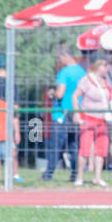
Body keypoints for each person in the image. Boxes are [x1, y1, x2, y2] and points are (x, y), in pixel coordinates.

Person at [73, 58, 112, 187]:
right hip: (88, 117)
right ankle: (80, 176)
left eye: (107, 65)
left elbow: (110, 99)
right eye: (104, 65)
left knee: (101, 149)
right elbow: (75, 96)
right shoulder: (87, 80)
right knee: (85, 148)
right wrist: (77, 113)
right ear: (97, 66)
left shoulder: (106, 81)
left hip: (102, 119)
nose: (106, 68)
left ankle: (98, 177)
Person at [43, 45, 85, 182]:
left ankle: (48, 174)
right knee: (74, 144)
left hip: (62, 113)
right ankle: (75, 174)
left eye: (59, 58)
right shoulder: (82, 71)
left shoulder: (64, 72)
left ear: (65, 56)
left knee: (55, 144)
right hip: (77, 112)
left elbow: (60, 93)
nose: (59, 61)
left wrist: (52, 94)